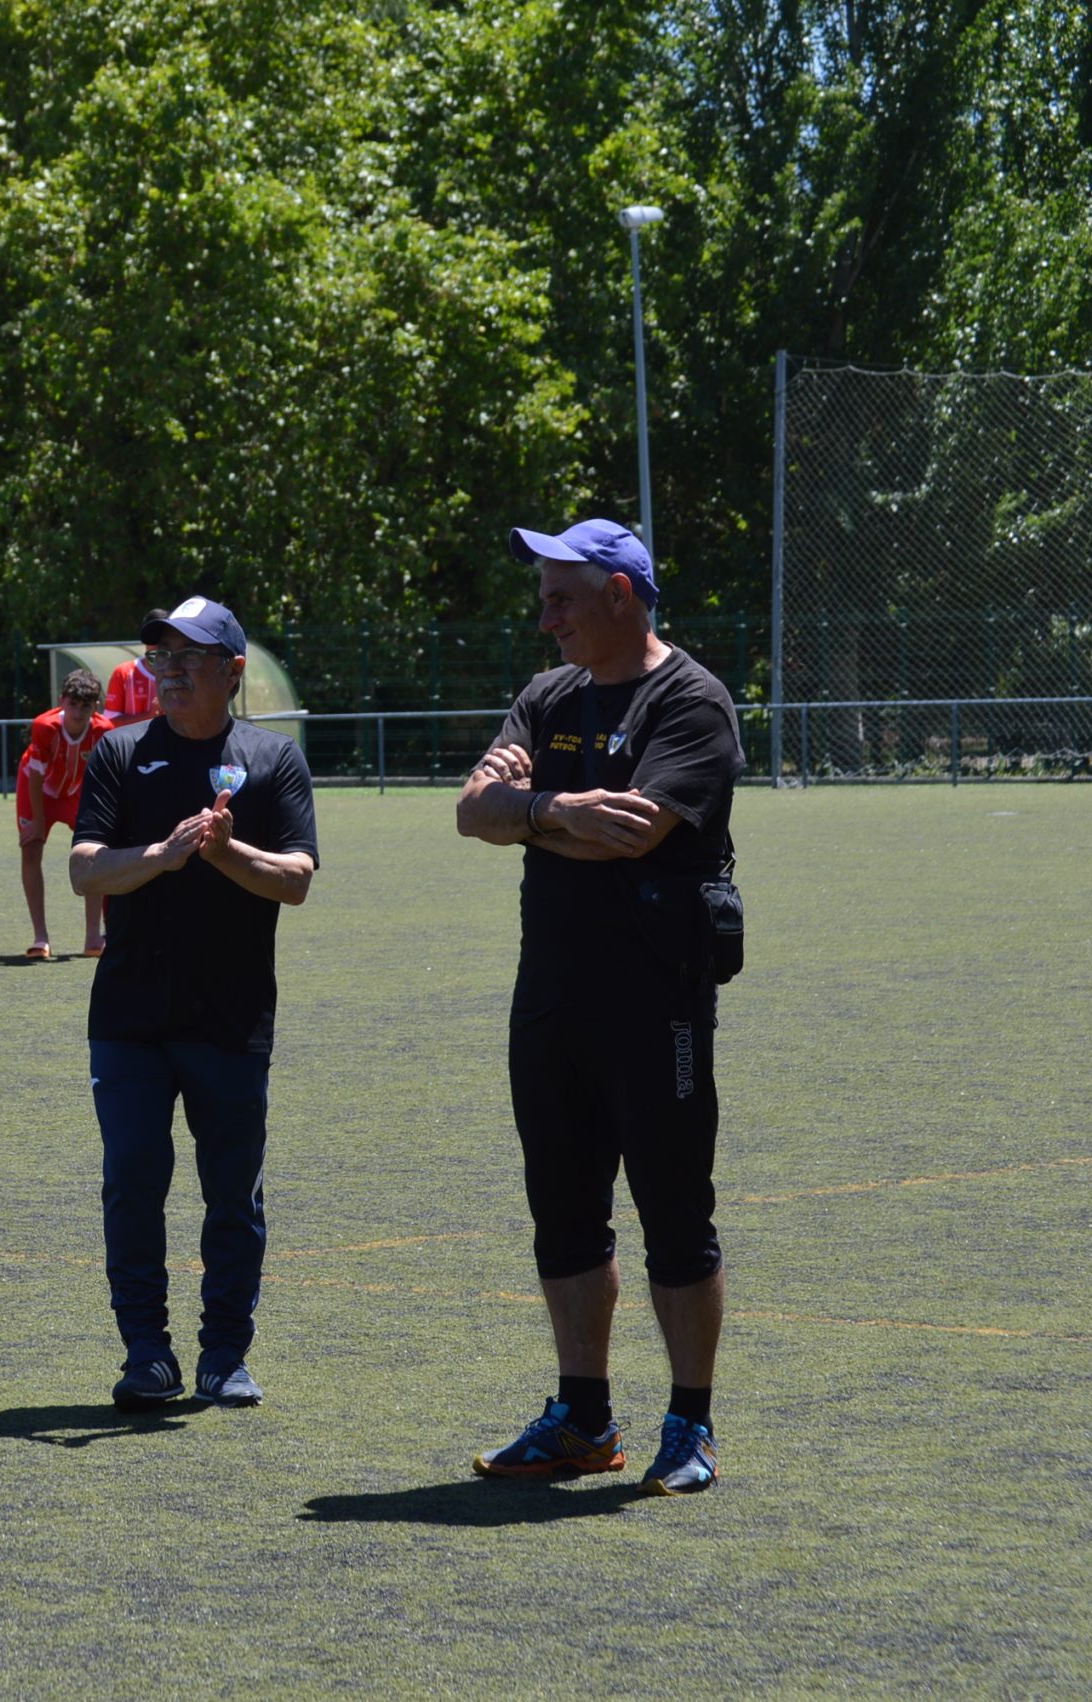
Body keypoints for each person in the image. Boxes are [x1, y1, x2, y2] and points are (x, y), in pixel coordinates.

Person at [455, 518, 743, 1497]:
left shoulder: (690, 704)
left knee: (674, 1216)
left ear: (619, 593)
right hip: (551, 1003)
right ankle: (582, 1417)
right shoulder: (548, 697)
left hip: (656, 1005)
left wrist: (538, 816)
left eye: (561, 597)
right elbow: (471, 810)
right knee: (563, 1216)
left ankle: (689, 1424)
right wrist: (555, 814)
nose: (546, 619)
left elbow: (637, 833)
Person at [69, 596, 318, 1411]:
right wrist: (163, 855)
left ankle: (223, 1356)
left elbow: (297, 880)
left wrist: (223, 850)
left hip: (231, 1019)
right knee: (133, 1181)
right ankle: (146, 1353)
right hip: (130, 1020)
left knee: (231, 1194)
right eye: (160, 656)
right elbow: (85, 870)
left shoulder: (274, 760)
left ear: (232, 671)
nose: (169, 670)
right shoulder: (117, 752)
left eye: (189, 656)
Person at [18, 669, 112, 959]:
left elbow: (102, 777)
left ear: (95, 706)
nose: (78, 712)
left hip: (76, 793)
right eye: (72, 704)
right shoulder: (45, 726)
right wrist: (38, 820)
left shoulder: (103, 730)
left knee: (94, 854)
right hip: (38, 792)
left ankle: (93, 937)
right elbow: (35, 776)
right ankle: (41, 936)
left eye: (86, 705)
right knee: (31, 850)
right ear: (61, 701)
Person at [104, 614, 169, 727]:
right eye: (153, 636)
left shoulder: (182, 672)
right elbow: (110, 722)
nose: (158, 643)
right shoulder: (123, 673)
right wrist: (149, 715)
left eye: (163, 636)